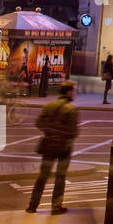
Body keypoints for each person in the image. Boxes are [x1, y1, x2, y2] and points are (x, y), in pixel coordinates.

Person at [27, 82, 78, 214]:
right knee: (60, 177)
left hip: (48, 145)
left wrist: (49, 130)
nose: (75, 93)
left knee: (42, 176)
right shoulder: (71, 109)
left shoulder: (48, 105)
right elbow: (73, 132)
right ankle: (56, 206)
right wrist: (62, 133)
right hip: (64, 147)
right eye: (74, 91)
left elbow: (39, 123)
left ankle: (32, 205)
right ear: (68, 92)